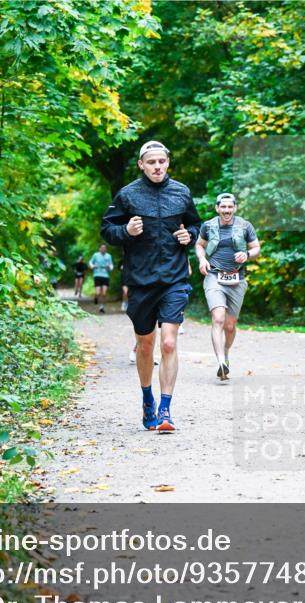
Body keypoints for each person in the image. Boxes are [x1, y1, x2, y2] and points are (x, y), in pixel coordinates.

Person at [101, 140, 201, 431]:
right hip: (141, 279)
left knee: (169, 342)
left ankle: (166, 411)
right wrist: (126, 231)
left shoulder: (181, 192)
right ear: (141, 165)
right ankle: (148, 399)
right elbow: (108, 229)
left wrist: (189, 236)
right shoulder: (127, 195)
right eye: (152, 162)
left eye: (162, 161)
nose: (157, 167)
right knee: (146, 345)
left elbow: (194, 225)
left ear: (168, 162)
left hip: (174, 277)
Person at [195, 193, 260, 380]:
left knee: (230, 326)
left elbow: (256, 248)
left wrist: (247, 255)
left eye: (230, 207)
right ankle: (220, 362)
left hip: (237, 279)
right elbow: (199, 245)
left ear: (235, 208)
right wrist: (202, 259)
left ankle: (226, 354)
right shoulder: (208, 226)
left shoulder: (245, 226)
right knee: (218, 318)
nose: (226, 210)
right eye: (223, 207)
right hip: (214, 276)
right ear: (217, 208)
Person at [89, 244, 114, 314]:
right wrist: (93, 266)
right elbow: (90, 262)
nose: (103, 249)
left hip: (105, 276)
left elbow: (111, 265)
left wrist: (110, 267)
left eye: (104, 248)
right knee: (98, 292)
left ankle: (101, 307)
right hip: (97, 275)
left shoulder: (109, 256)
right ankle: (96, 297)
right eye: (102, 248)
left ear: (106, 249)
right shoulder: (95, 255)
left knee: (104, 293)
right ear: (99, 249)